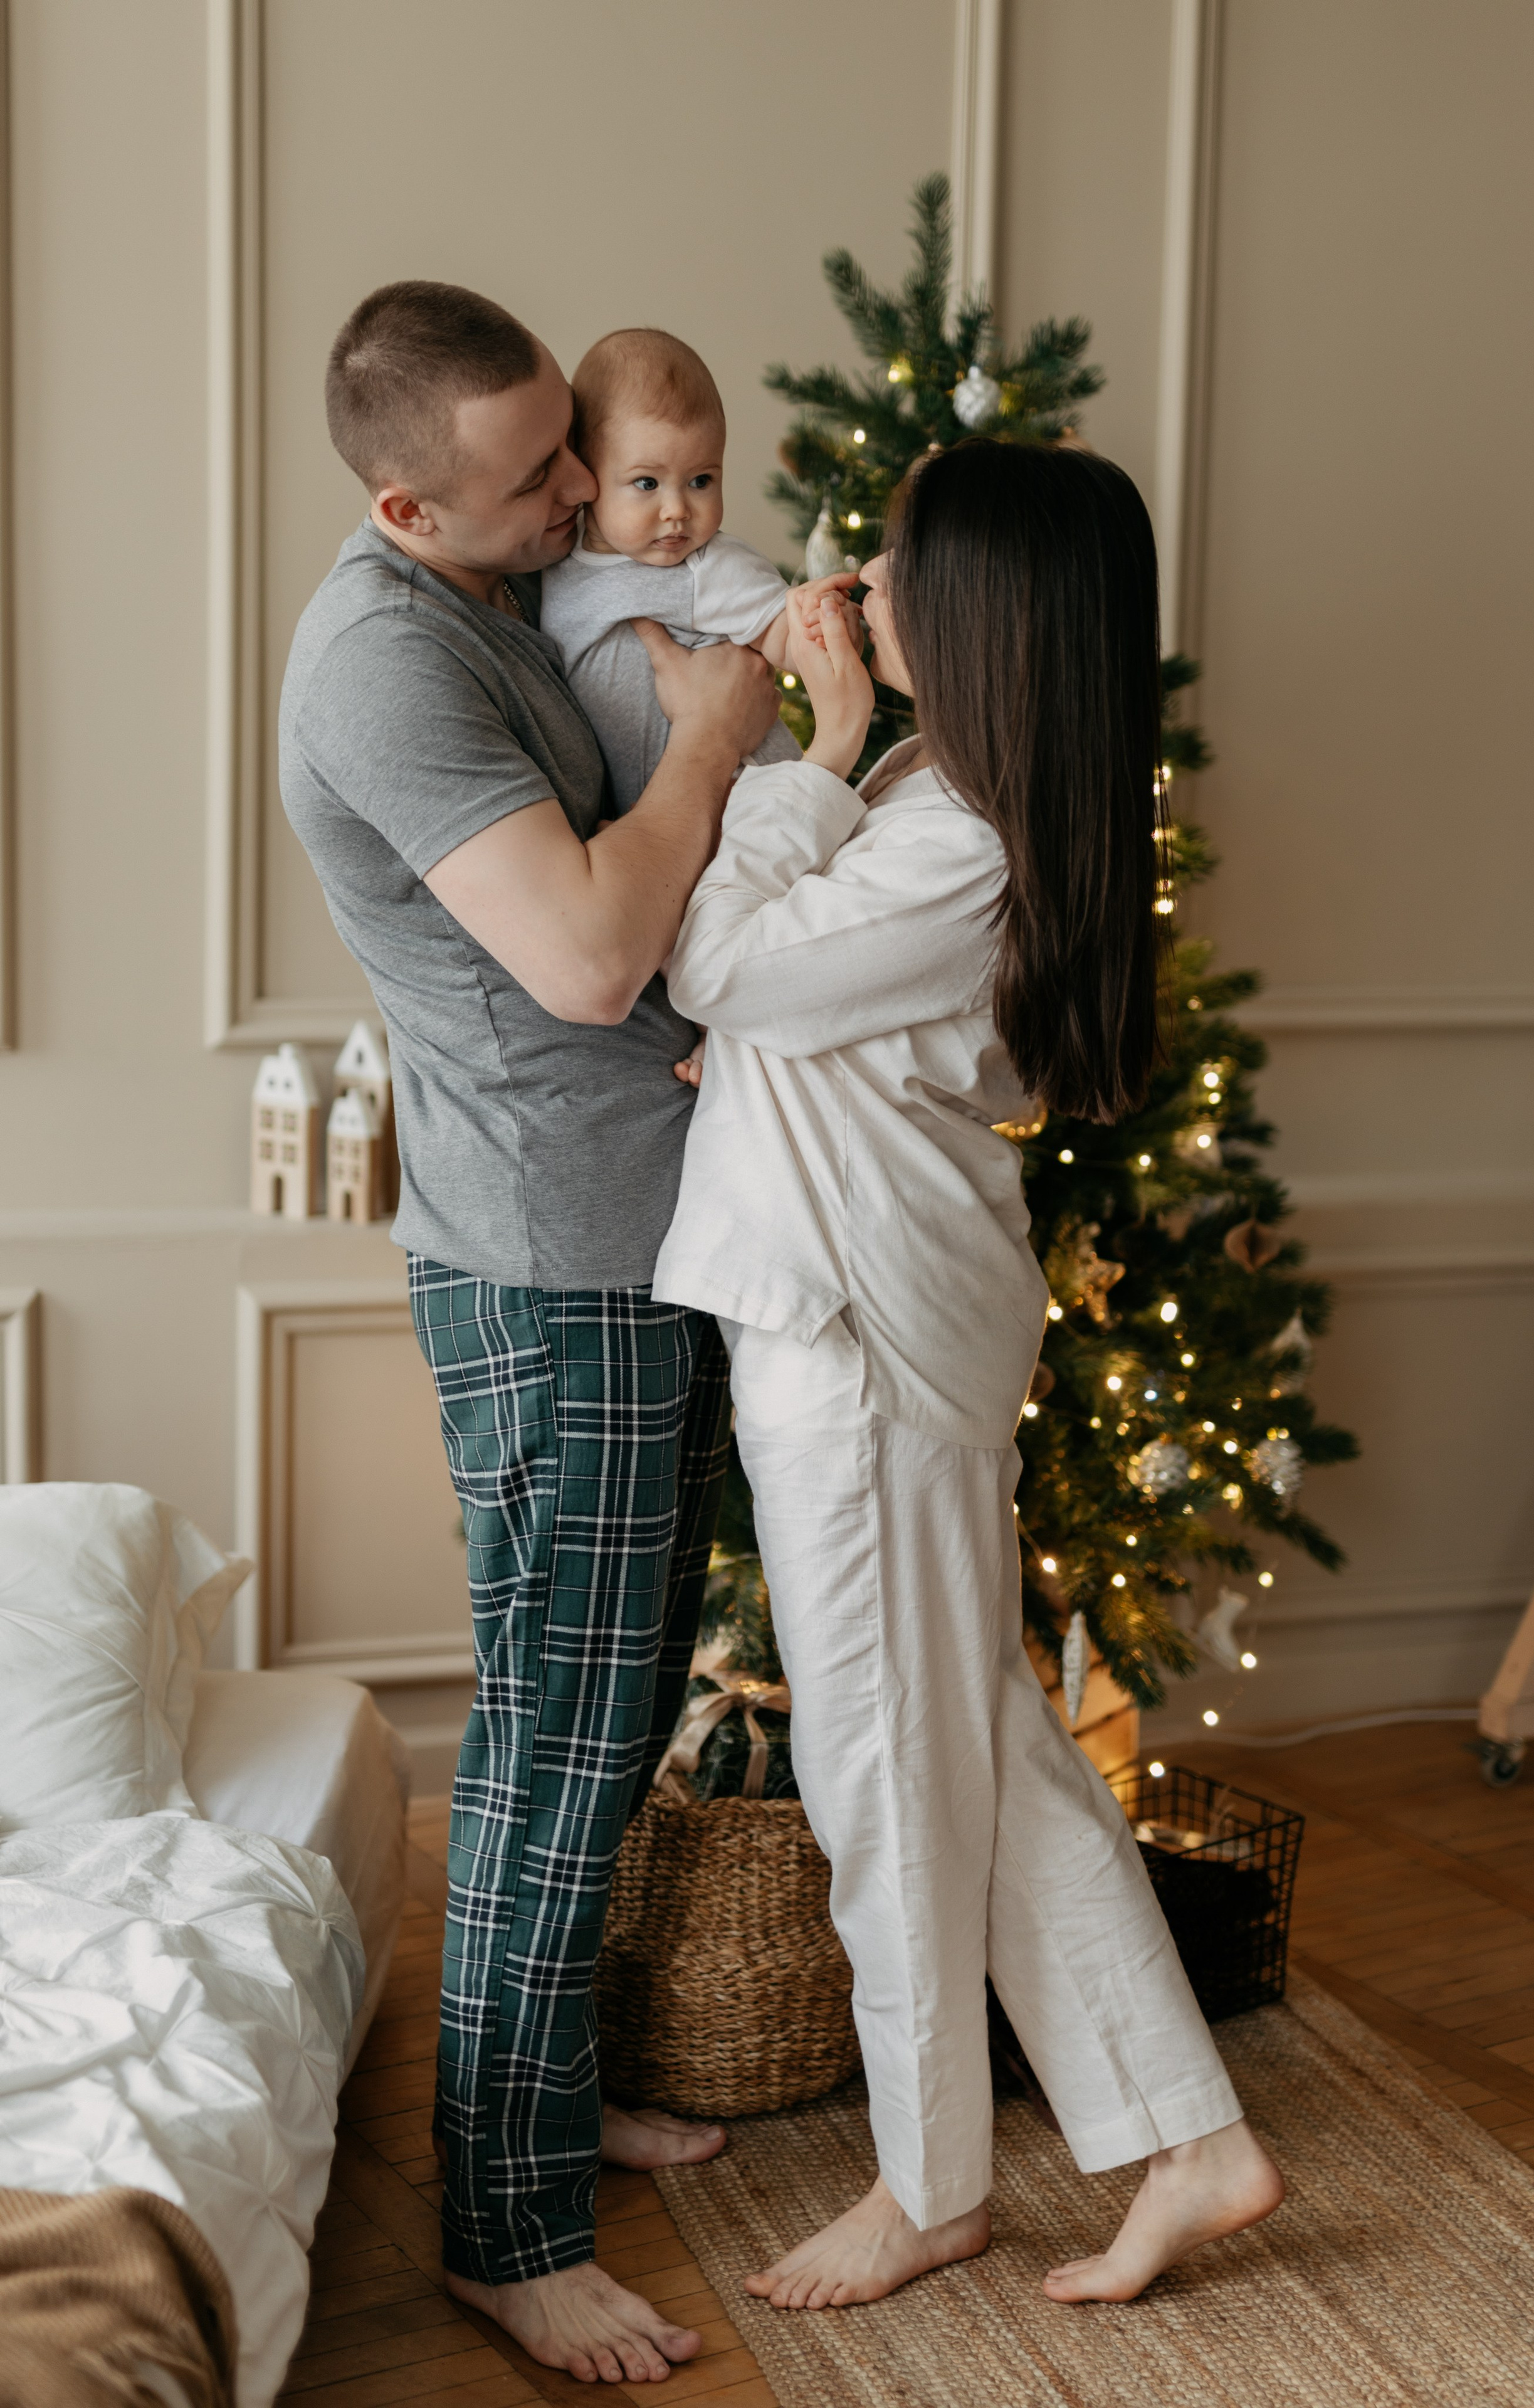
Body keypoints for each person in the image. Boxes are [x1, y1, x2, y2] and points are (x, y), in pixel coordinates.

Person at [653, 440, 1286, 2310]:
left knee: (884, 1779)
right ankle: (1192, 2134)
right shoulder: (954, 800)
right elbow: (789, 1012)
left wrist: (809, 748)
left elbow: (717, 962)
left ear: (986, 614)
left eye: (903, 559)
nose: (861, 577)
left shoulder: (947, 832)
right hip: (865, 1323)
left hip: (855, 1351)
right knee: (985, 1759)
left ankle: (929, 2183)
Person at [278, 279, 779, 2388]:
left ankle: (548, 2109)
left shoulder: (506, 595)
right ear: (409, 499)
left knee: (622, 1695)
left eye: (578, 448)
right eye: (535, 475)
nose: (584, 487)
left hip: (637, 1239)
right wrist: (730, 733)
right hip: (544, 1268)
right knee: (554, 1749)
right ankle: (505, 2229)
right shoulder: (384, 659)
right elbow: (582, 955)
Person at [538, 326, 807, 811]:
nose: (677, 510)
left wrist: (822, 626)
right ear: (586, 470)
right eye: (647, 483)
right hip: (656, 816)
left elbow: (790, 635)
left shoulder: (703, 566)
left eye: (701, 480)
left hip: (749, 800)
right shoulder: (553, 557)